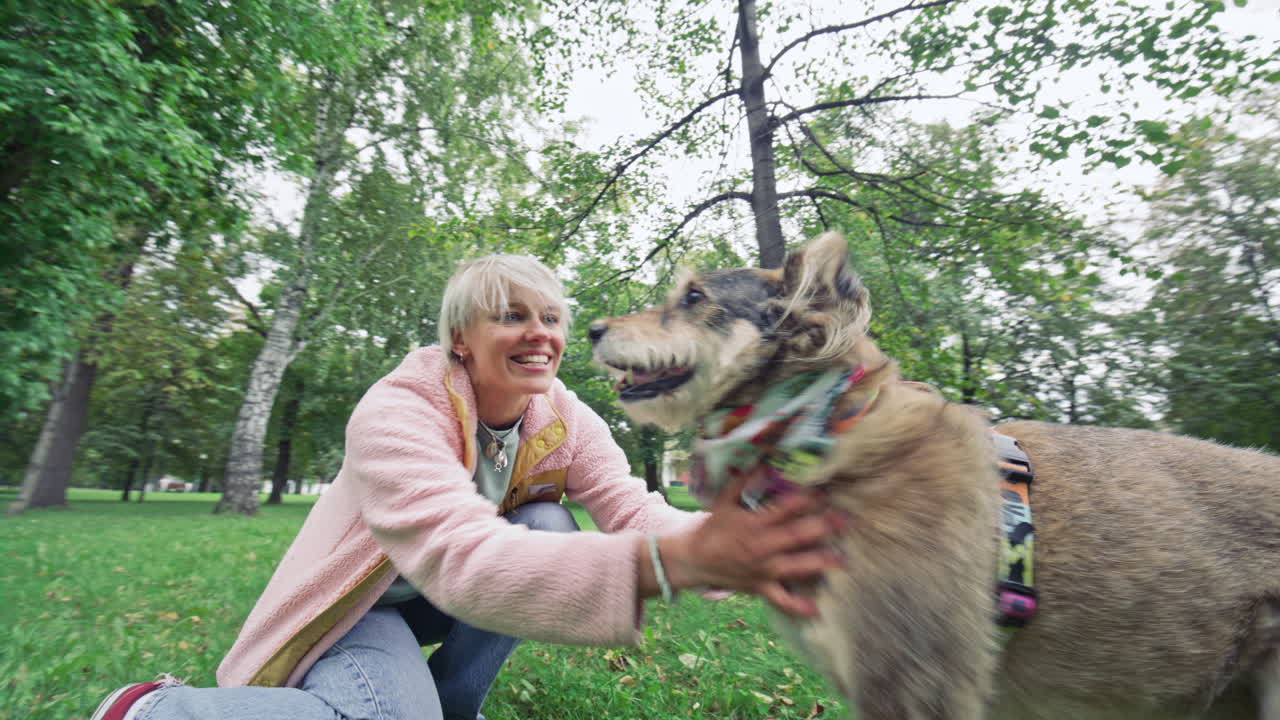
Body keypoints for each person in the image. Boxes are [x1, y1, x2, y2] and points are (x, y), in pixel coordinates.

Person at [92, 254, 846, 720]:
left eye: (550, 318)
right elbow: (455, 550)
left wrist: (751, 548)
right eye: (511, 317)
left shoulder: (565, 418)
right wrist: (669, 567)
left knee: (550, 523)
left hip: (453, 596)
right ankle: (160, 709)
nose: (540, 333)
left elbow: (631, 507)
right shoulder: (400, 407)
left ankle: (457, 705)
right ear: (462, 338)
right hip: (362, 611)